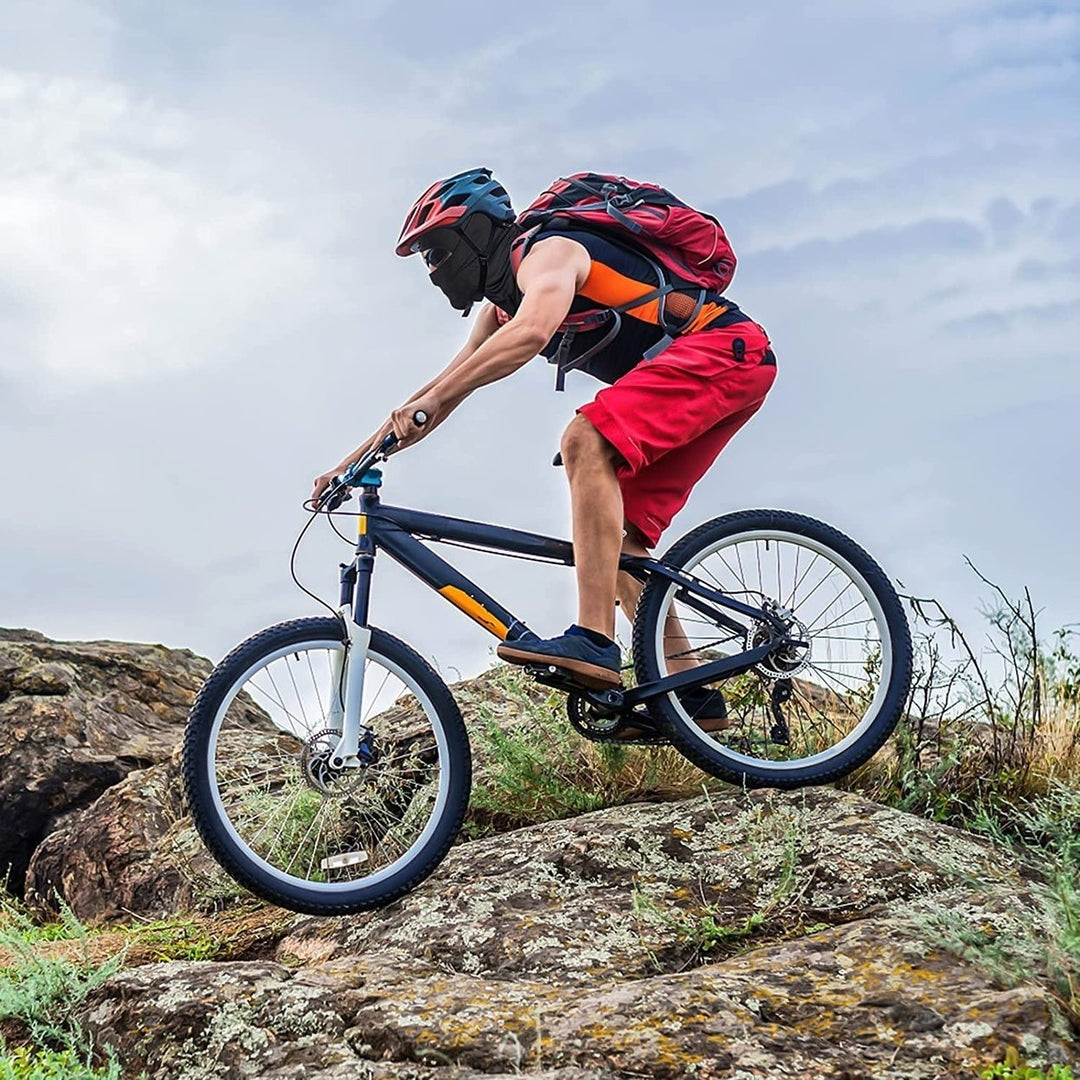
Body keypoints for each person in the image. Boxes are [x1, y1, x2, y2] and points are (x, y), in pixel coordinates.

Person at [310, 168, 776, 715]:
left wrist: (430, 404)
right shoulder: (499, 309)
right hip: (714, 368)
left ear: (477, 234)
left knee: (585, 439)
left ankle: (594, 641)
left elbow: (533, 333)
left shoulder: (549, 252)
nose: (434, 270)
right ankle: (692, 693)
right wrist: (349, 465)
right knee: (614, 535)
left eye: (436, 251)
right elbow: (438, 392)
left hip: (725, 350)